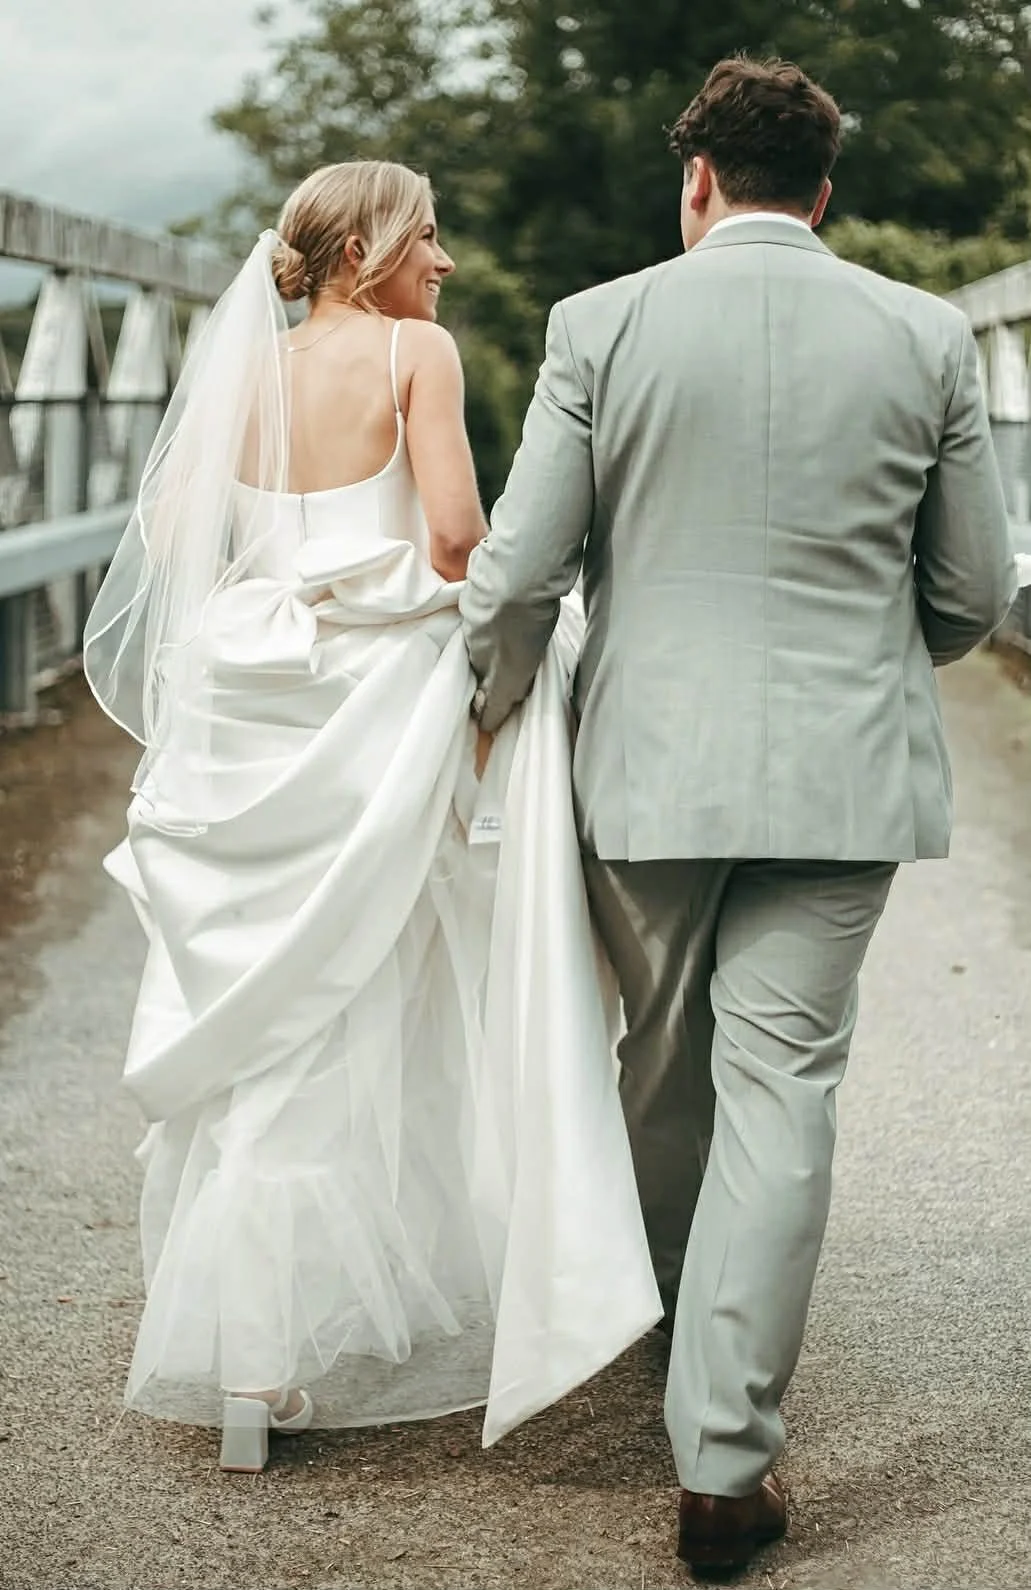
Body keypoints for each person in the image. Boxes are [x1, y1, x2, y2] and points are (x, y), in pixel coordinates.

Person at [461, 55, 1020, 1576]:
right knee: (784, 1087)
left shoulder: (601, 321)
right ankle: (723, 1458)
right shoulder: (920, 335)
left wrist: (488, 705)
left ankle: (662, 1328)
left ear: (695, 180)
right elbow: (974, 589)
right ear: (824, 189)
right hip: (842, 774)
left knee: (657, 1063)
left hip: (647, 767)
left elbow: (516, 575)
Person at [84, 160, 660, 1475]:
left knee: (265, 1002)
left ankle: (251, 1353)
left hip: (252, 691)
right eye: (429, 236)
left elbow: (179, 542)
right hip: (378, 700)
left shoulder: (244, 371)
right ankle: (351, 1303)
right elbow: (457, 537)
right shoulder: (417, 352)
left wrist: (280, 582)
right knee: (372, 982)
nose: (444, 262)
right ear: (365, 248)